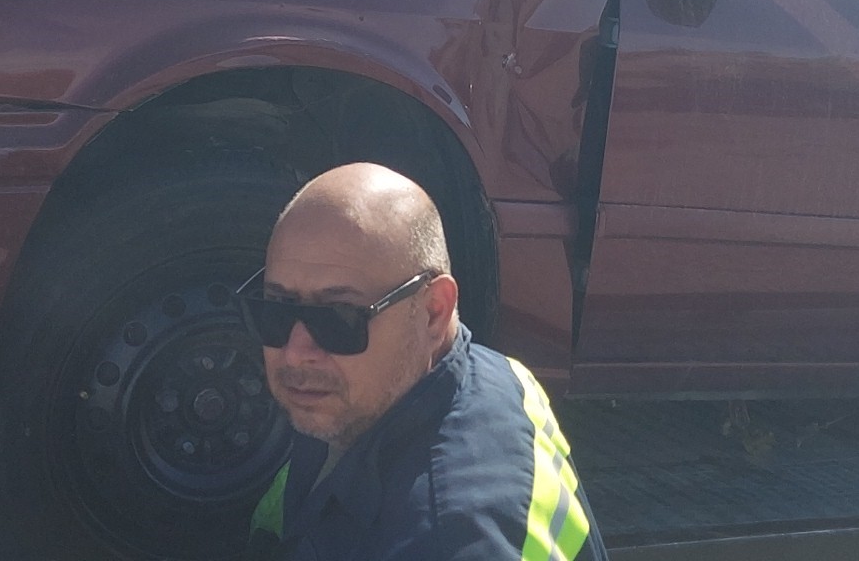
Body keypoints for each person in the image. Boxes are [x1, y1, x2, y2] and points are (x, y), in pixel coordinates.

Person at [238, 163, 608, 561]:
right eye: (276, 308)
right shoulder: (497, 373)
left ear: (433, 311)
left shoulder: (445, 538)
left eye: (339, 319)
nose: (295, 352)